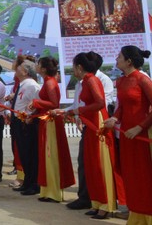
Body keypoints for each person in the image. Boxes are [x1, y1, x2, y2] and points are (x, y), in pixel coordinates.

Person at [53, 52, 120, 219]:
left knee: (99, 164)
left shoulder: (91, 80)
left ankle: (105, 205)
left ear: (79, 67)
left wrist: (77, 111)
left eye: (74, 67)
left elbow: (100, 103)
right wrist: (72, 112)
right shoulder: (86, 80)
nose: (73, 70)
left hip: (97, 124)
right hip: (89, 123)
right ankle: (97, 203)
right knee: (90, 164)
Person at [102, 45, 152, 224]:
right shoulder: (121, 81)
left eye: (119, 57)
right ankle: (135, 212)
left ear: (129, 61)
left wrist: (140, 127)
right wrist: (114, 119)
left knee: (143, 174)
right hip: (125, 135)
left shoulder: (142, 79)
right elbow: (121, 107)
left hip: (141, 136)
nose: (116, 59)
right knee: (130, 174)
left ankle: (147, 214)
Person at [32, 56, 74, 202]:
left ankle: (54, 191)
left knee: (51, 155)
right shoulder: (47, 81)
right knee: (47, 155)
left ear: (43, 69)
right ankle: (48, 190)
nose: (36, 66)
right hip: (46, 120)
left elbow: (54, 103)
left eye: (38, 64)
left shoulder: (50, 82)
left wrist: (36, 102)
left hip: (50, 120)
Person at [13, 59, 42, 196]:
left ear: (25, 71)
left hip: (27, 123)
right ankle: (27, 181)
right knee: (23, 154)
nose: (16, 69)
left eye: (18, 67)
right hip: (19, 121)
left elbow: (37, 104)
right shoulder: (23, 85)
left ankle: (34, 183)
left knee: (30, 154)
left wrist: (30, 116)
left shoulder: (32, 86)